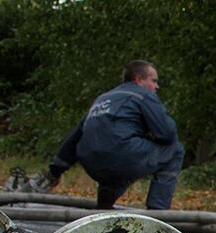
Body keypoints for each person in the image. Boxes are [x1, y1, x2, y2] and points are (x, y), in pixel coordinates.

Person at [45, 60, 184, 210]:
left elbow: (74, 138)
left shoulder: (103, 98)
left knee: (117, 155)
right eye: (154, 81)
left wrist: (56, 171)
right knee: (175, 150)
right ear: (138, 79)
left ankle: (105, 204)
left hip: (92, 164)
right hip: (121, 155)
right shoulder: (143, 95)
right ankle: (158, 212)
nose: (156, 86)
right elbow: (167, 134)